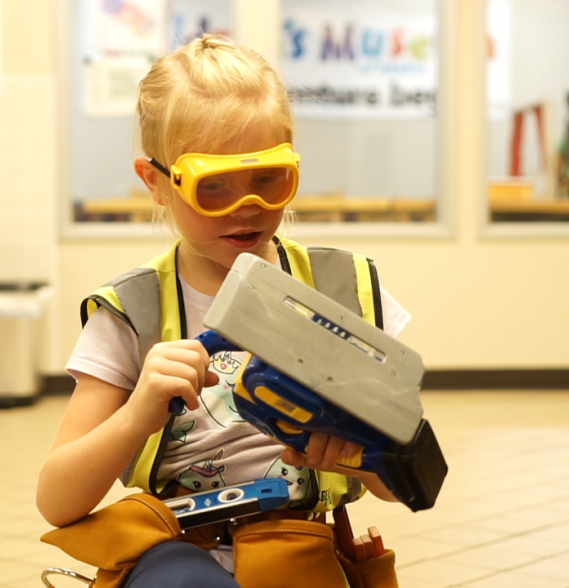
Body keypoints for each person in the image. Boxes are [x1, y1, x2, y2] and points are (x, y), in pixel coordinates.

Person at [36, 35, 411, 588]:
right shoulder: (129, 312)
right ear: (156, 182)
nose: (248, 207)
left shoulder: (342, 289)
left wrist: (362, 452)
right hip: (176, 548)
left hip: (302, 543)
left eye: (268, 179)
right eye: (215, 188)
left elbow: (405, 483)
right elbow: (56, 499)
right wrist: (139, 410)